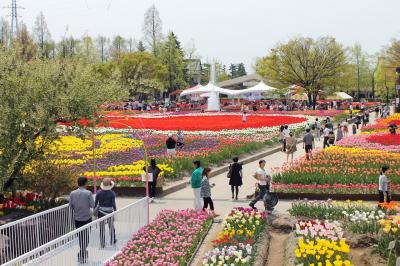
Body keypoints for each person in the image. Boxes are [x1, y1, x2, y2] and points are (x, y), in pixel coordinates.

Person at [69, 176, 95, 264]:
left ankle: (82, 252)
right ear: (85, 183)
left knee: (80, 237)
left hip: (77, 218)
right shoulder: (88, 193)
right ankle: (82, 252)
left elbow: (71, 206)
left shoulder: (72, 193)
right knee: (86, 237)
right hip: (87, 218)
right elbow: (92, 205)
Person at [95, 178, 117, 248]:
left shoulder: (98, 193)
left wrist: (94, 209)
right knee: (111, 226)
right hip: (110, 212)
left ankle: (102, 242)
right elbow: (113, 203)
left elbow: (95, 203)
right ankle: (113, 240)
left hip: (101, 212)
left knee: (101, 228)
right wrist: (115, 210)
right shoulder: (112, 193)